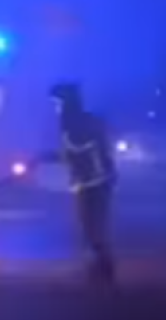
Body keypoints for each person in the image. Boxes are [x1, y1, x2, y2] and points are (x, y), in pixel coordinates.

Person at [48, 82, 117, 284]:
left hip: (94, 180)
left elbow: (79, 147)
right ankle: (99, 267)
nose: (55, 108)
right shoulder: (76, 122)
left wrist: (58, 155)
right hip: (88, 181)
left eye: (57, 103)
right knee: (90, 226)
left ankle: (103, 268)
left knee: (93, 226)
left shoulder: (79, 123)